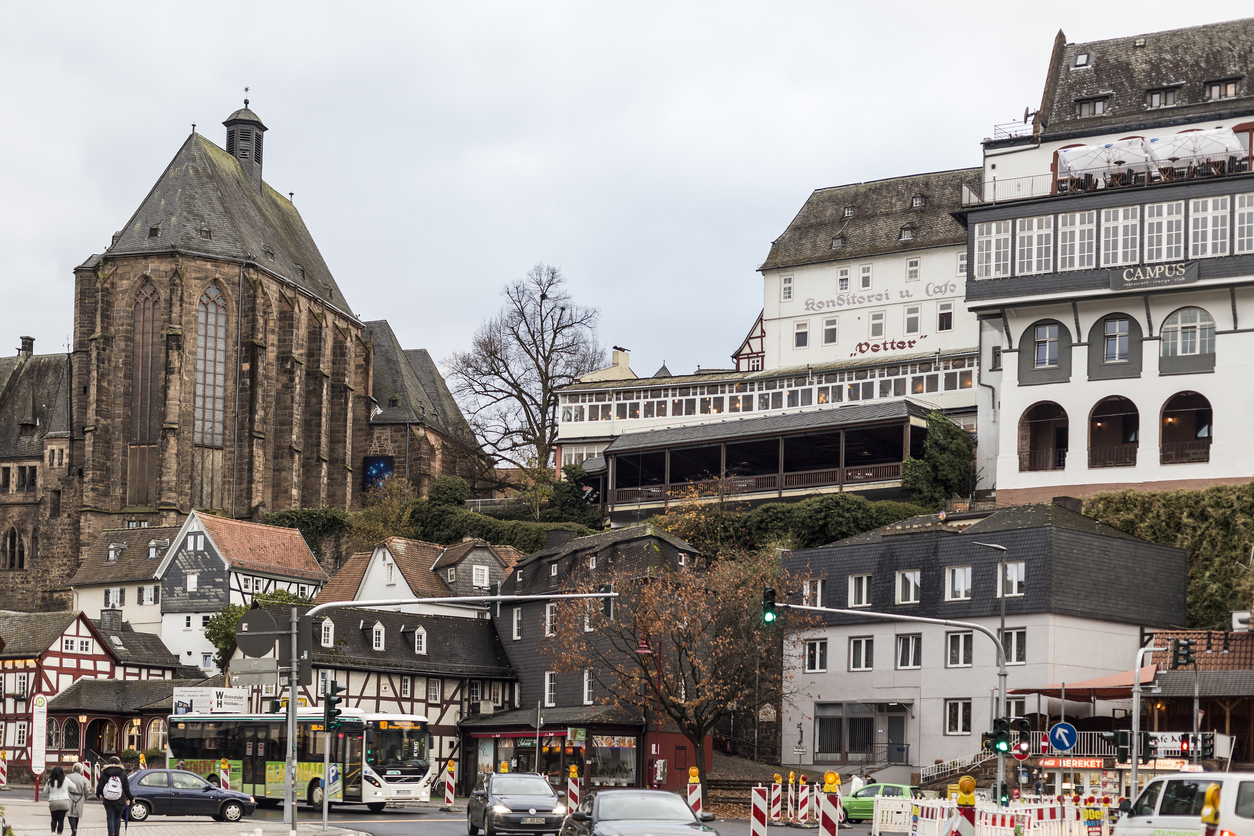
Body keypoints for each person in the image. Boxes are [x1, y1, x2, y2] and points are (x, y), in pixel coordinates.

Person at [95, 756, 133, 836]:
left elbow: (100, 786)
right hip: (120, 799)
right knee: (117, 817)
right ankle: (117, 833)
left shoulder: (105, 773)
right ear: (119, 763)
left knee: (110, 817)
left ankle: (110, 834)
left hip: (108, 799)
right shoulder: (122, 773)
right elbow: (126, 788)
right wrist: (130, 797)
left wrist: (99, 794)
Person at [66, 764, 91, 836]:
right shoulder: (83, 778)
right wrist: (85, 798)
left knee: (70, 813)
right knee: (77, 814)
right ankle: (75, 828)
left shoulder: (68, 777)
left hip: (70, 796)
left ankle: (73, 828)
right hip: (80, 797)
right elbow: (86, 790)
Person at [46, 766, 72, 834]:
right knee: (61, 820)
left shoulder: (50, 781)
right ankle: (59, 834)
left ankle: (53, 832)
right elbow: (74, 787)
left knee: (54, 819)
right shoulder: (66, 780)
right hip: (64, 802)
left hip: (53, 801)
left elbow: (45, 791)